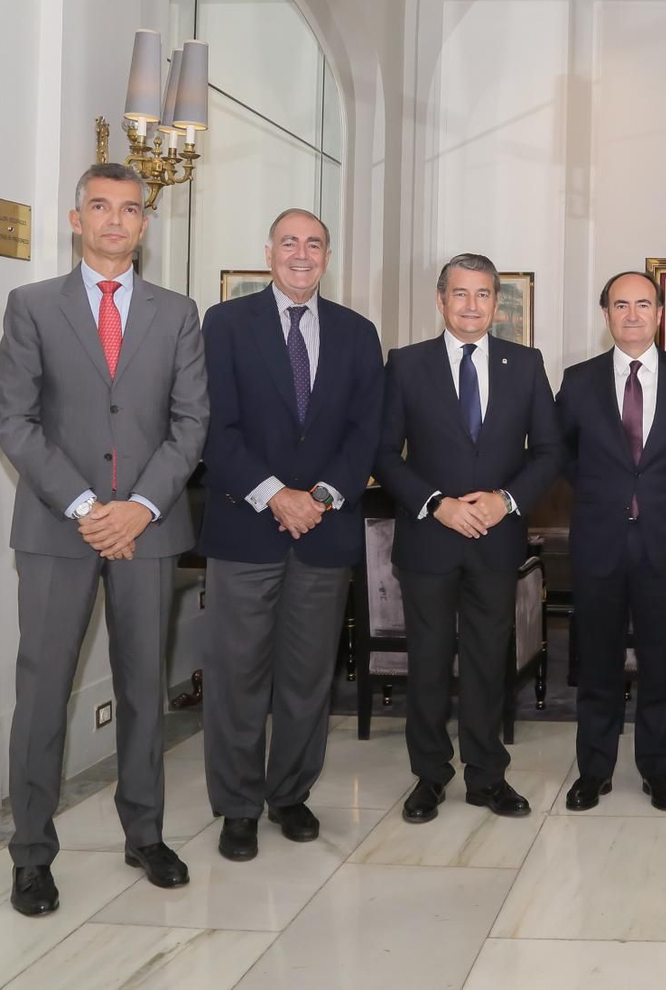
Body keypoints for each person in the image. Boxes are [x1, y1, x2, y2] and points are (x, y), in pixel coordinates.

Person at [0, 162, 209, 914]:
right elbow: (14, 420)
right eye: (100, 207)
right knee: (43, 693)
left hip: (148, 532)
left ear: (145, 224)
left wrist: (140, 506)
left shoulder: (178, 312)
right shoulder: (31, 306)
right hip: (58, 530)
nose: (115, 220)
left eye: (129, 208)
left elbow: (192, 423)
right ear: (75, 218)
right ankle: (30, 853)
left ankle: (145, 833)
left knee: (145, 690)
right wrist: (89, 505)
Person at [199, 208, 383, 861]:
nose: (301, 254)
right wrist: (277, 494)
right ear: (268, 251)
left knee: (308, 677)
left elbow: (367, 432)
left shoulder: (359, 334)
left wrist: (323, 497)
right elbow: (214, 428)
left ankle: (290, 793)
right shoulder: (224, 324)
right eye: (289, 243)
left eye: (314, 244)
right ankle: (238, 806)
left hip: (325, 533)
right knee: (236, 675)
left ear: (327, 256)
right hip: (245, 529)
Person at [376, 253, 562, 823]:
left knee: (488, 661)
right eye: (460, 294)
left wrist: (504, 501)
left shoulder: (525, 364)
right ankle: (429, 777)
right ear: (441, 300)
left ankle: (487, 777)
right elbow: (383, 454)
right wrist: (438, 505)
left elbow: (550, 452)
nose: (472, 306)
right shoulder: (406, 364)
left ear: (495, 303)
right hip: (430, 541)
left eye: (483, 295)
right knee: (429, 663)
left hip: (497, 541)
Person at [555, 271, 666, 811]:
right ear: (605, 314)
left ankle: (659, 770)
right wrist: (612, 496)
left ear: (660, 314)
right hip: (600, 542)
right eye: (620, 305)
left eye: (642, 304)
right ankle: (593, 770)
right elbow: (567, 457)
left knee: (660, 663)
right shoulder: (577, 381)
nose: (632, 314)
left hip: (665, 543)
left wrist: (662, 497)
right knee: (596, 664)